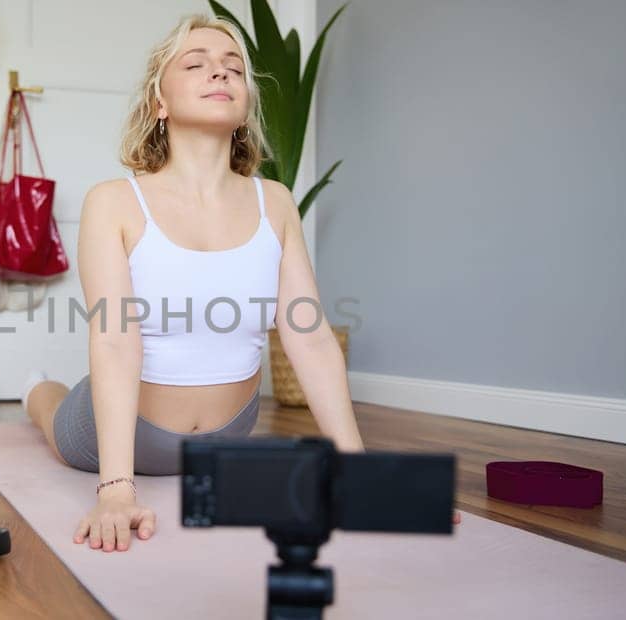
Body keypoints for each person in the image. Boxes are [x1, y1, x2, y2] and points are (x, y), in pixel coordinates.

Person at [23, 14, 456, 555]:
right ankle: (37, 389)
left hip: (231, 429)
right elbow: (113, 339)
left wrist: (355, 468)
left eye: (233, 68)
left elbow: (310, 335)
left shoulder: (273, 201)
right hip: (133, 433)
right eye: (197, 63)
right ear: (159, 101)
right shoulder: (113, 201)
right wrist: (115, 489)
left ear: (246, 104)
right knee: (53, 414)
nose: (220, 73)